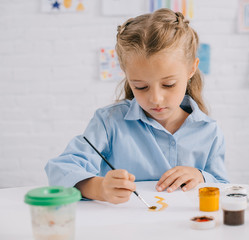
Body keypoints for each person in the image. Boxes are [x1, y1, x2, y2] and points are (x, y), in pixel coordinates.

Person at [45, 8, 229, 204]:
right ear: (127, 75)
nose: (156, 99)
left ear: (192, 68)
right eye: (141, 87)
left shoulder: (209, 131)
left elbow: (225, 187)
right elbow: (60, 170)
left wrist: (201, 176)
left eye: (168, 85)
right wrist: (99, 188)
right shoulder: (109, 122)